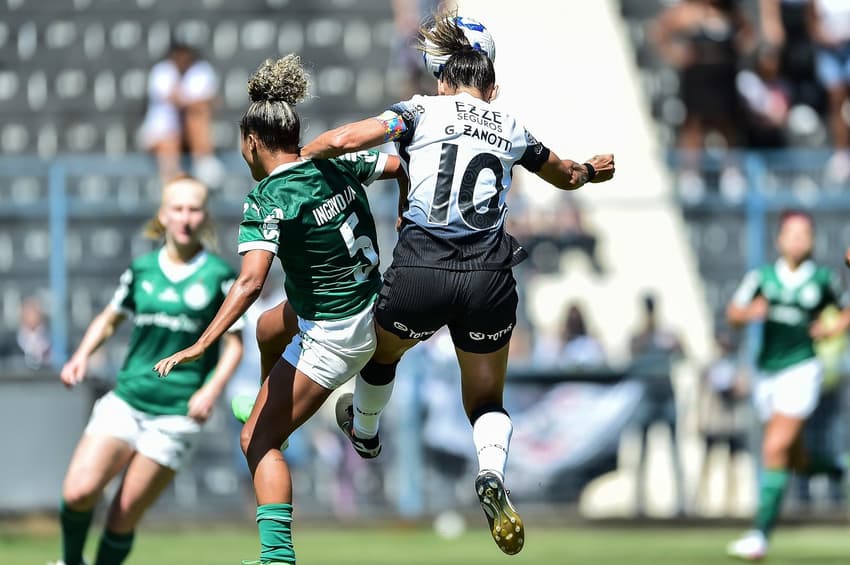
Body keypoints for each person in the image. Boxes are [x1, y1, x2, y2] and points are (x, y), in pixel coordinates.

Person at [297, 10, 615, 555]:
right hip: (489, 276)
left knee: (382, 355)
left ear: (442, 78)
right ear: (491, 87)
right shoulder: (509, 124)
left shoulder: (418, 111)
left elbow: (350, 138)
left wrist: (301, 158)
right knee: (486, 400)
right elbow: (563, 174)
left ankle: (366, 433)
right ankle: (490, 473)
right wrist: (589, 169)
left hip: (422, 268)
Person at [153, 54, 405, 565]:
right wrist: (405, 215)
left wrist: (201, 344)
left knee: (255, 441)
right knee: (268, 326)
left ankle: (277, 558)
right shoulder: (331, 162)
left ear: (251, 142)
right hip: (362, 301)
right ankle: (266, 403)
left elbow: (249, 281)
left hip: (336, 332)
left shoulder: (269, 196)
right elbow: (399, 162)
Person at [51, 175, 244, 565]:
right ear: (163, 214)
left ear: (204, 216)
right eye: (178, 208)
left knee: (122, 517)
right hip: (127, 400)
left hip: (175, 415)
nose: (186, 217)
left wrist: (210, 390)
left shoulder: (219, 275)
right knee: (77, 493)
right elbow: (109, 318)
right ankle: (70, 561)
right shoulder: (142, 269)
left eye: (194, 209)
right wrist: (81, 355)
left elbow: (234, 345)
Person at [726, 210, 850, 561]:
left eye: (805, 233)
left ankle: (759, 537)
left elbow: (845, 311)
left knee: (775, 448)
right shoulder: (763, 277)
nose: (798, 239)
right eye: (792, 233)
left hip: (803, 369)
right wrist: (751, 314)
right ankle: (840, 467)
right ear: (779, 239)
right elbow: (733, 314)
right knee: (794, 458)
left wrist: (833, 328)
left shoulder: (823, 279)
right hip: (767, 373)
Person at [628, 292, 687, 517]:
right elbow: (631, 354)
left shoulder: (667, 334)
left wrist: (675, 342)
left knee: (674, 449)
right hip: (647, 396)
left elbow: (683, 354)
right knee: (641, 451)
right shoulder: (640, 335)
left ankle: (681, 503)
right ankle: (638, 503)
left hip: (666, 395)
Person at [140, 42, 224, 187]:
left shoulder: (201, 70)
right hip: (161, 134)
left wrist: (192, 102)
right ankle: (172, 182)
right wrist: (194, 101)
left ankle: (203, 161)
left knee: (196, 116)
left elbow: (212, 101)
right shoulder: (162, 71)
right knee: (169, 137)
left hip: (188, 136)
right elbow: (175, 99)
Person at [694, 329, 749, 516]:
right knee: (708, 462)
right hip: (713, 420)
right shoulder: (709, 366)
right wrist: (699, 419)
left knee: (732, 463)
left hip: (732, 421)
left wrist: (735, 385)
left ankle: (731, 505)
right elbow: (700, 395)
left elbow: (743, 391)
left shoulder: (737, 366)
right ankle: (702, 504)